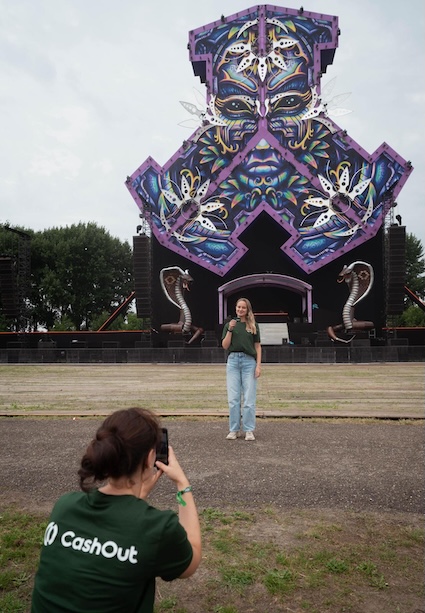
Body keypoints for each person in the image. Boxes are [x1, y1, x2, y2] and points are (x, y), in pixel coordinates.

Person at [31, 407, 201, 613]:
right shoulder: (156, 528)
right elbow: (191, 561)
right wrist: (183, 484)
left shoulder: (64, 506)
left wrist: (136, 498)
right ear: (150, 458)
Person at [221, 297, 261, 441]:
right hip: (233, 361)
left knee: (249, 398)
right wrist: (230, 329)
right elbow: (225, 346)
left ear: (247, 309)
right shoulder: (229, 325)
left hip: (249, 362)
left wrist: (258, 365)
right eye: (239, 307)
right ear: (236, 308)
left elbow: (258, 346)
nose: (240, 310)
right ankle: (234, 429)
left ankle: (249, 430)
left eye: (243, 307)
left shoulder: (253, 325)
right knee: (233, 399)